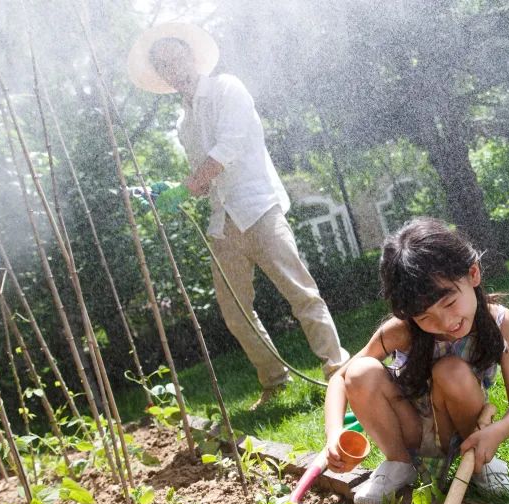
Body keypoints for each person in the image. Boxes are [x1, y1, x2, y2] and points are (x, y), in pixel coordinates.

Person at [127, 24, 349, 408]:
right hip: (223, 222)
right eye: (162, 64)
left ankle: (337, 370)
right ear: (161, 75)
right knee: (234, 311)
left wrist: (189, 185)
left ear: (190, 56)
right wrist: (171, 189)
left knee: (301, 293)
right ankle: (274, 380)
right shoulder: (183, 124)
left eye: (174, 57)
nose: (170, 67)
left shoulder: (227, 88)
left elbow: (229, 146)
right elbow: (206, 176)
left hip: (259, 207)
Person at [324, 218, 509, 504]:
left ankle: (481, 465)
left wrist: (495, 433)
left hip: (459, 431)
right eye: (424, 317)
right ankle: (399, 464)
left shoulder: (500, 322)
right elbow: (340, 379)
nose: (446, 323)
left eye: (448, 303)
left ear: (473, 274)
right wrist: (334, 433)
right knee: (359, 371)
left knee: (450, 370)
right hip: (412, 430)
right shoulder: (402, 330)